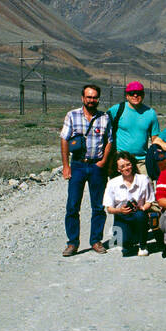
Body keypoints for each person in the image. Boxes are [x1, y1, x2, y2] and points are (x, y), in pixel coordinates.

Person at [59, 83, 112, 256]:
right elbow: (64, 139)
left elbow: (109, 141)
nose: (91, 100)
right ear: (83, 98)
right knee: (73, 205)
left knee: (98, 206)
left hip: (97, 166)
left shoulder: (105, 117)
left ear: (98, 99)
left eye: (95, 97)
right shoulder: (72, 115)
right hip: (78, 165)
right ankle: (72, 243)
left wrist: (103, 161)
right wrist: (66, 166)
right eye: (89, 97)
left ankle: (96, 241)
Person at [106, 81, 162, 180]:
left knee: (146, 186)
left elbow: (155, 138)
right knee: (120, 188)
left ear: (143, 95)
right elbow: (102, 125)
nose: (135, 95)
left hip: (142, 161)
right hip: (121, 160)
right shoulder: (117, 110)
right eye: (132, 93)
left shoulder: (150, 113)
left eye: (138, 93)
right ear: (127, 96)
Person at [104, 152, 155, 256]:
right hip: (121, 216)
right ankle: (129, 240)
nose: (126, 168)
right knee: (124, 245)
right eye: (122, 166)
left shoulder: (143, 179)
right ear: (118, 169)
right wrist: (120, 210)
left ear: (132, 164)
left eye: (128, 165)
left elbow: (149, 201)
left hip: (139, 214)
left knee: (140, 216)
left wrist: (142, 208)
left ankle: (143, 245)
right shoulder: (112, 183)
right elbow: (109, 208)